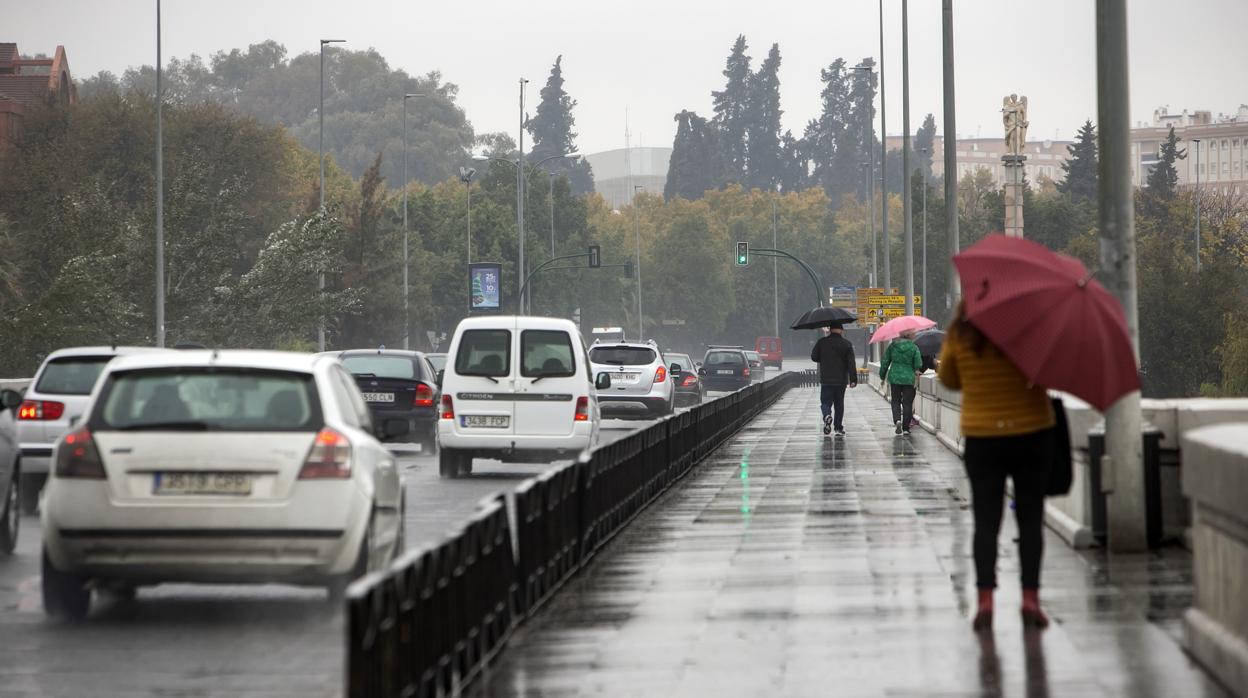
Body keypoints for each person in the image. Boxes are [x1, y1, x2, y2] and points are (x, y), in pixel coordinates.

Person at [937, 300, 1056, 632]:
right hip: (1032, 434)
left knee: (986, 521)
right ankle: (1030, 598)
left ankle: (985, 600)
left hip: (982, 438)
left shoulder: (962, 334)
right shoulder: (1033, 333)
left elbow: (948, 379)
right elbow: (1050, 370)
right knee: (1031, 519)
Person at [810, 325, 857, 436]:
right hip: (841, 380)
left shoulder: (822, 342)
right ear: (841, 330)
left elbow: (814, 357)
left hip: (826, 379)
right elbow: (851, 363)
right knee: (839, 404)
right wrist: (853, 379)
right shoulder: (847, 344)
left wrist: (824, 357)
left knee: (825, 402)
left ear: (830, 330)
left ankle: (827, 415)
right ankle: (838, 428)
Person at [879, 329, 923, 435]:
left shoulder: (893, 346)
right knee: (907, 403)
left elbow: (885, 362)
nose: (915, 334)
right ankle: (906, 428)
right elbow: (918, 364)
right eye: (914, 333)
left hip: (895, 377)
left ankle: (897, 420)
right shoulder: (914, 347)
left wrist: (882, 375)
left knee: (895, 401)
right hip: (909, 378)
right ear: (909, 335)